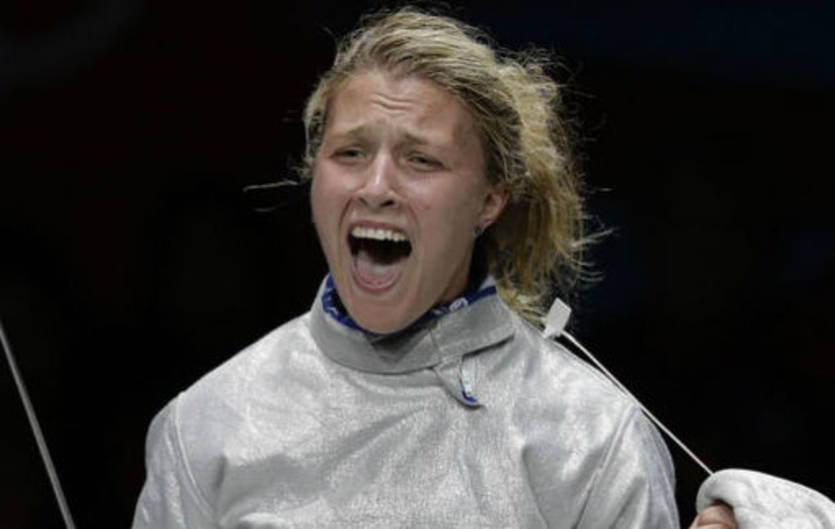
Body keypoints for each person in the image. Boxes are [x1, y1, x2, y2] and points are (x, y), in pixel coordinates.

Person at [132, 8, 736, 528]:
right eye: (350, 153)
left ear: (489, 200)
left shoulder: (593, 440)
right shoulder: (208, 424)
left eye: (421, 159)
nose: (376, 187)